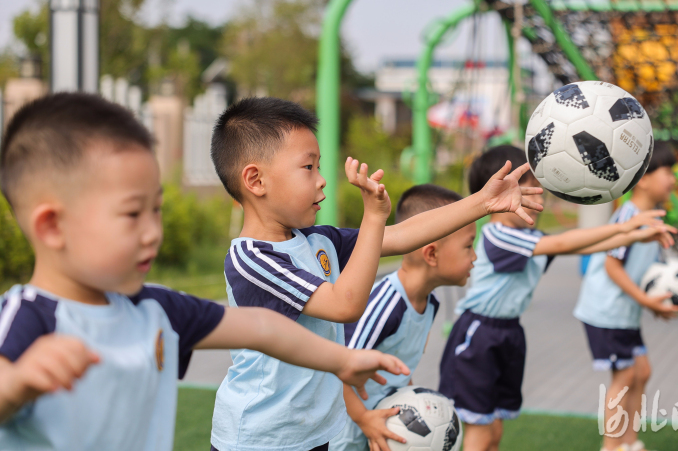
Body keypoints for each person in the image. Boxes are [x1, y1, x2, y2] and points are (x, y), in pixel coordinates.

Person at [0, 93, 411, 451]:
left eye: (156, 210)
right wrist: (17, 385)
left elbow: (264, 329)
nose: (153, 231)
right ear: (52, 227)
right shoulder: (28, 317)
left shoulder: (157, 307)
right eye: (132, 213)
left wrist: (342, 360)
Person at [208, 97, 543, 451]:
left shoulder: (318, 241)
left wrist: (483, 202)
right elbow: (344, 306)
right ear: (256, 180)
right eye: (309, 167)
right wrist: (373, 218)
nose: (322, 181)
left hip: (312, 434)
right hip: (260, 439)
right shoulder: (252, 258)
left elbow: (401, 236)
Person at [438, 145, 676, 451]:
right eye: (527, 187)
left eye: (538, 184)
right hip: (478, 337)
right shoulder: (498, 234)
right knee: (481, 432)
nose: (539, 192)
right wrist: (625, 226)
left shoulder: (529, 238)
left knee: (494, 431)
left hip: (508, 334)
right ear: (494, 194)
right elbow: (564, 242)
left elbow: (578, 247)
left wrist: (631, 235)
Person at [330, 184, 476, 451]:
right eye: (469, 246)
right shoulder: (386, 305)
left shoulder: (429, 303)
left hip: (377, 432)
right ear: (431, 253)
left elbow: (400, 368)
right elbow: (334, 370)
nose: (475, 257)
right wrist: (364, 419)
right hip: (344, 435)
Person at [573, 141, 678, 451]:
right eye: (667, 171)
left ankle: (629, 442)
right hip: (605, 311)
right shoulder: (627, 217)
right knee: (626, 376)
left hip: (625, 312)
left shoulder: (652, 219)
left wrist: (655, 302)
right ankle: (611, 446)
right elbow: (612, 266)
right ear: (643, 178)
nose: (674, 178)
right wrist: (646, 302)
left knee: (641, 372)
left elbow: (647, 273)